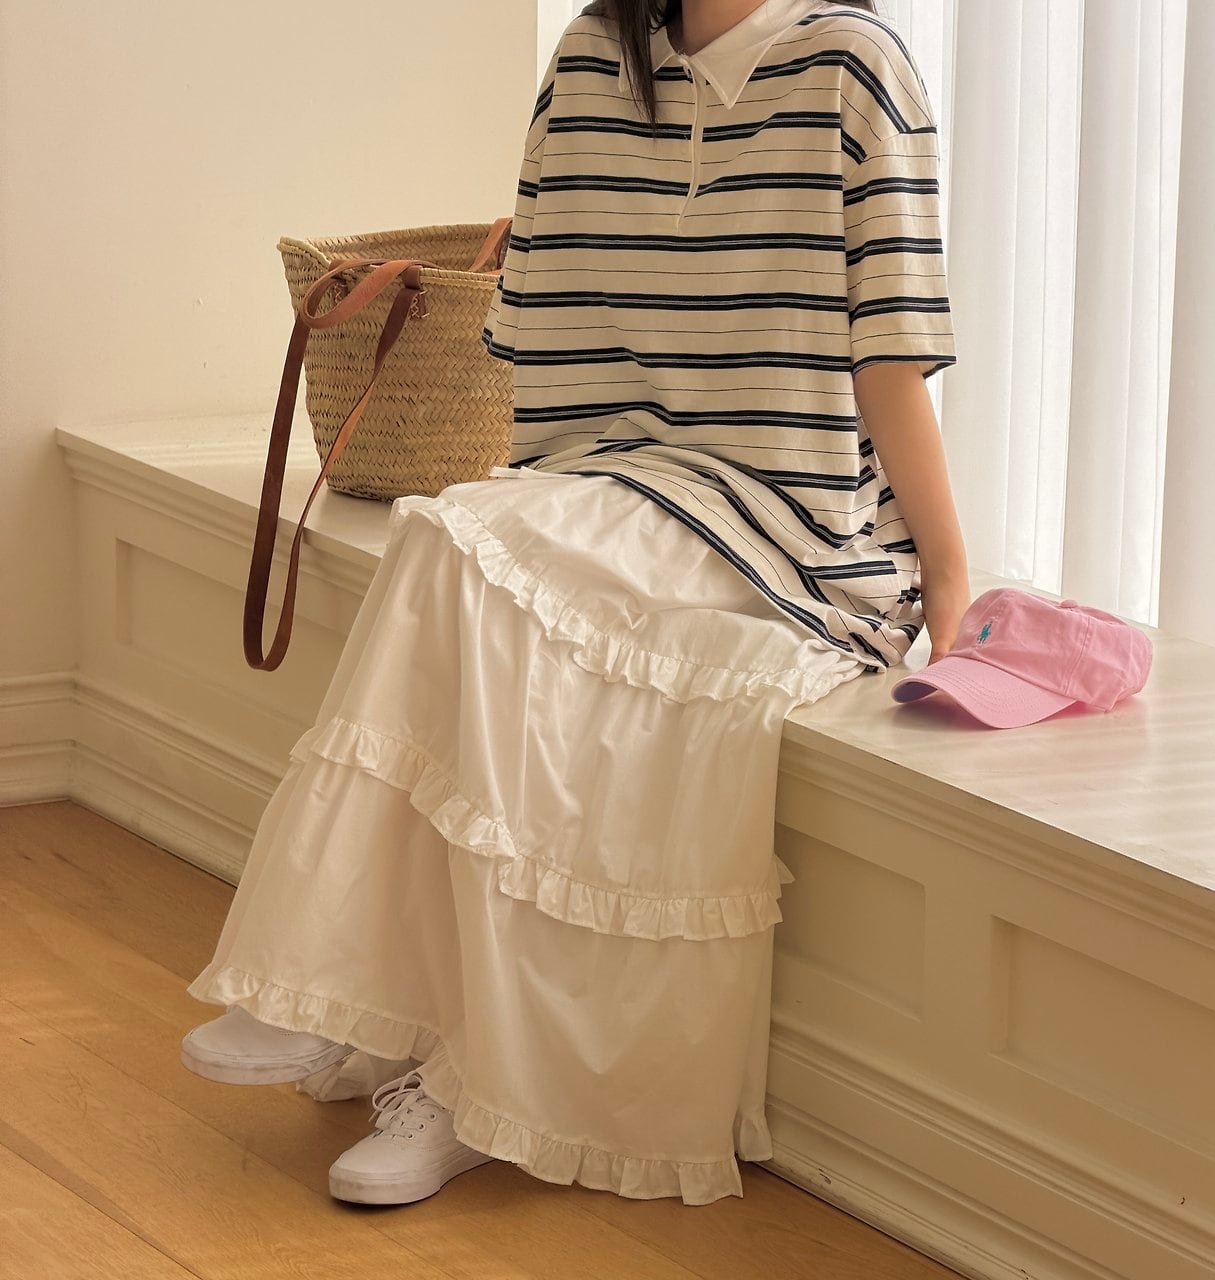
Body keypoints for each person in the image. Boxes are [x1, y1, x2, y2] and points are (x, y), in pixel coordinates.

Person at [181, 0, 969, 1209]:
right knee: (460, 548)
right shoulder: (596, 57)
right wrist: (554, 515)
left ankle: (369, 1008)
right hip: (617, 485)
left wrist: (949, 580)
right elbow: (546, 345)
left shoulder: (853, 67)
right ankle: (402, 1027)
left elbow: (890, 355)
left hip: (795, 526)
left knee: (454, 542)